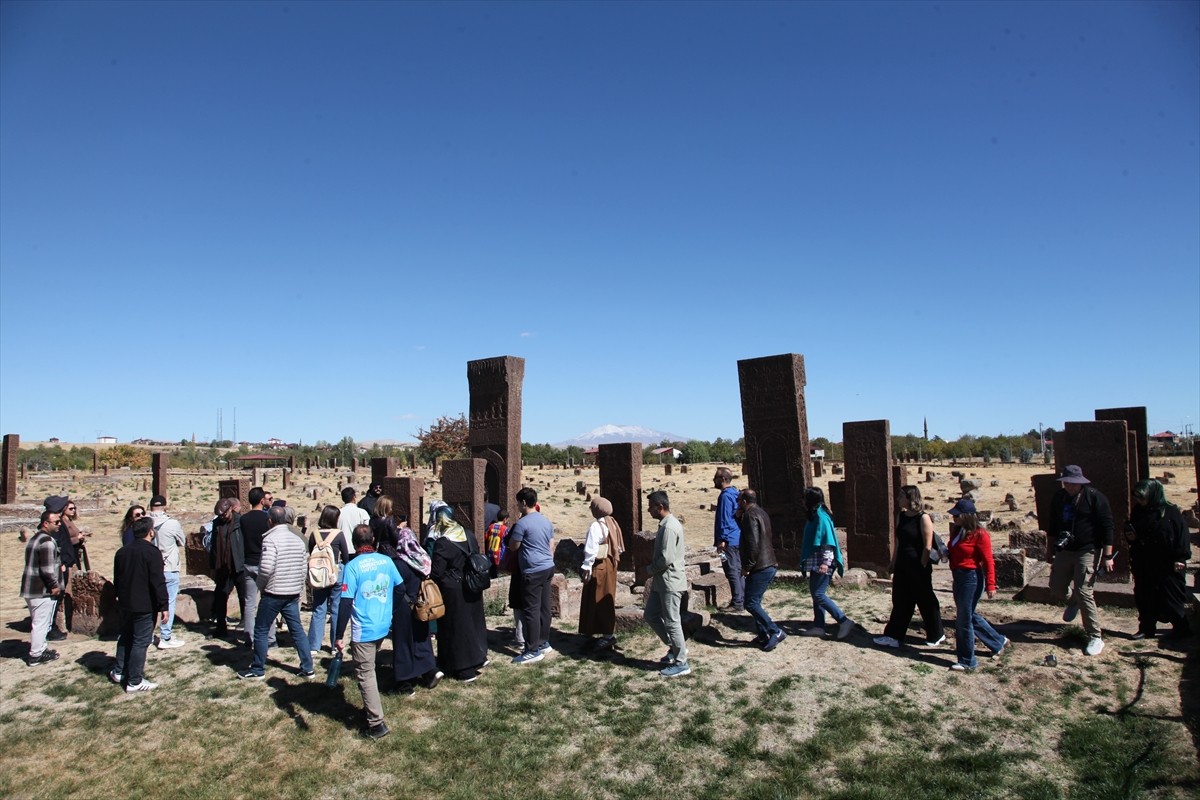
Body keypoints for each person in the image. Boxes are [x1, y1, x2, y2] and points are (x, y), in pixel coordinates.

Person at [336, 524, 404, 739]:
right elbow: (400, 588)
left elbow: (345, 602)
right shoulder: (386, 561)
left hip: (364, 628)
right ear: (373, 539)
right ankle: (373, 711)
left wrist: (338, 635)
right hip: (383, 624)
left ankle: (376, 723)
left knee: (365, 674)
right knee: (370, 666)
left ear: (354, 543)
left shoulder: (352, 567)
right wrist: (390, 609)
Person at [237, 506, 314, 680]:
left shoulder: (271, 539)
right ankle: (308, 667)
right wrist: (298, 587)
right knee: (297, 630)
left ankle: (257, 669)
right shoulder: (297, 539)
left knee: (261, 630)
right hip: (292, 592)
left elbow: (266, 568)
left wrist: (261, 586)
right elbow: (303, 567)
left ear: (270, 521)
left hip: (274, 592)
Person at [1048, 465, 1115, 656]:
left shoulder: (1095, 497)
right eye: (1066, 482)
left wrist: (1108, 556)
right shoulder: (1059, 497)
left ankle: (1095, 636)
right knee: (1056, 588)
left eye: (1073, 483)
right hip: (1064, 549)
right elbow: (1052, 525)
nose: (1069, 486)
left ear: (1081, 483)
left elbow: (1107, 527)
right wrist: (1049, 548)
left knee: (1084, 591)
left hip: (1087, 550)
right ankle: (1074, 601)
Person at [874, 485, 945, 650]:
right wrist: (893, 562)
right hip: (902, 565)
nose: (898, 499)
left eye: (901, 496)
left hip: (918, 566)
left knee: (925, 600)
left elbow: (927, 545)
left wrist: (922, 564)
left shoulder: (923, 518)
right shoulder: (902, 516)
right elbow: (899, 542)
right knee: (900, 600)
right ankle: (893, 636)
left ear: (910, 498)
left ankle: (936, 633)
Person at [427, 507, 490, 681]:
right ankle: (479, 657)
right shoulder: (468, 534)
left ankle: (464, 668)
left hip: (453, 589)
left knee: (457, 629)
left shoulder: (443, 542)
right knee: (474, 623)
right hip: (472, 583)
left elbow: (437, 571)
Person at [946, 499, 1007, 670]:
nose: (954, 518)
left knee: (963, 620)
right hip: (958, 576)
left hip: (971, 578)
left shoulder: (980, 534)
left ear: (966, 516)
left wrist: (991, 584)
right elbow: (956, 551)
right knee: (969, 614)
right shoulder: (958, 531)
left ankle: (968, 661)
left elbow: (988, 561)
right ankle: (998, 641)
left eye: (957, 515)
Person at [110, 516, 169, 691]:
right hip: (144, 604)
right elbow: (157, 581)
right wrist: (164, 605)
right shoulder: (152, 552)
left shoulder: (122, 552)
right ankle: (134, 681)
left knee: (126, 636)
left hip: (125, 603)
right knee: (141, 641)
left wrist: (118, 597)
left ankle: (119, 671)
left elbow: (117, 579)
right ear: (150, 532)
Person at [1127, 479, 1192, 639]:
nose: (1140, 501)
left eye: (1142, 497)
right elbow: (1133, 531)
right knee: (1145, 595)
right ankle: (1146, 628)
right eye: (1137, 498)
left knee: (1171, 595)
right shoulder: (1139, 511)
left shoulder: (1170, 512)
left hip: (1168, 562)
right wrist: (1131, 536)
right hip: (1144, 560)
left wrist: (1180, 557)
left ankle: (1181, 629)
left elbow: (1182, 536)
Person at [386, 515, 441, 695]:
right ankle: (430, 671)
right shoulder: (422, 560)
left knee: (403, 643)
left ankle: (404, 684)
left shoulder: (398, 564)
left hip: (403, 606)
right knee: (421, 639)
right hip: (421, 603)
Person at [799, 487, 855, 640]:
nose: (802, 501)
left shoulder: (821, 517)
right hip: (816, 561)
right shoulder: (815, 515)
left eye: (804, 498)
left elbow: (827, 541)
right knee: (815, 593)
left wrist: (825, 563)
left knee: (818, 594)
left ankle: (843, 621)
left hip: (824, 562)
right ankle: (819, 626)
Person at [645, 490, 690, 677]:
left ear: (660, 507)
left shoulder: (670, 527)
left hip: (670, 582)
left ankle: (682, 663)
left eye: (651, 507)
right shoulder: (665, 524)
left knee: (672, 622)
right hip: (661, 582)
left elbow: (666, 558)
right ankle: (675, 647)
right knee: (650, 615)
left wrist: (649, 570)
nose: (648, 510)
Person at [509, 487, 556, 664]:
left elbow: (514, 546)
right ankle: (544, 642)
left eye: (517, 503)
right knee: (545, 608)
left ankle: (532, 650)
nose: (517, 506)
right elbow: (551, 545)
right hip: (547, 567)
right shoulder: (545, 521)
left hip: (532, 571)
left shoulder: (522, 523)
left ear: (523, 502)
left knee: (531, 611)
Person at [738, 489, 785, 651]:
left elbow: (753, 544)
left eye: (739, 501)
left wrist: (747, 567)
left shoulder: (750, 515)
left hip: (760, 566)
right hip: (768, 563)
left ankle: (775, 631)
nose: (738, 504)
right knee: (755, 601)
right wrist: (738, 518)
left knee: (750, 603)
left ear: (744, 501)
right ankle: (763, 635)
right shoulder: (761, 512)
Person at [578, 497, 625, 652]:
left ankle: (607, 635)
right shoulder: (613, 523)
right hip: (610, 564)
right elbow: (618, 548)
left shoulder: (596, 526)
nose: (591, 509)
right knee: (605, 597)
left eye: (592, 507)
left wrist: (586, 567)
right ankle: (596, 630)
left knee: (598, 599)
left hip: (599, 566)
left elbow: (591, 550)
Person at [20, 509, 63, 666]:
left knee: (38, 621)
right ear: (45, 523)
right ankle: (36, 655)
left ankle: (42, 648)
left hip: (31, 588)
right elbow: (47, 569)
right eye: (56, 522)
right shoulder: (47, 542)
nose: (59, 524)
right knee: (42, 623)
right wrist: (54, 585)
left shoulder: (35, 539)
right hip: (42, 590)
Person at [306, 505, 349, 653]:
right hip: (336, 573)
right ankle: (334, 645)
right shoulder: (338, 534)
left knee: (319, 608)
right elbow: (346, 556)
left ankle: (313, 645)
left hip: (318, 574)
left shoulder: (314, 534)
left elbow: (311, 551)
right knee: (336, 608)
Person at [148, 495, 186, 649]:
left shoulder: (145, 523)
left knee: (150, 601)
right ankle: (165, 636)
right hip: (169, 565)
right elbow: (182, 541)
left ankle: (147, 635)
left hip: (150, 567)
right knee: (169, 601)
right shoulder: (172, 523)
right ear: (165, 506)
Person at [238, 486, 273, 648]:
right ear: (261, 500)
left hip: (248, 562)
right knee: (268, 601)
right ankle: (270, 637)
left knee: (250, 602)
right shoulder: (267, 519)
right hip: (264, 562)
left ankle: (249, 637)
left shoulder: (243, 519)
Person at [207, 497, 245, 638]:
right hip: (223, 566)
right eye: (220, 515)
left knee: (244, 596)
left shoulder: (240, 521)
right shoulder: (217, 523)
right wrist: (213, 565)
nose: (222, 517)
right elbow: (214, 545)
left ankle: (246, 625)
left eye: (224, 514)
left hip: (238, 564)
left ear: (230, 509)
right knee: (220, 596)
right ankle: (220, 627)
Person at [712, 467, 744, 612]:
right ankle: (742, 598)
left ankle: (737, 602)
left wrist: (722, 540)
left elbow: (724, 519)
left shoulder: (725, 496)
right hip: (736, 538)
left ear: (724, 479)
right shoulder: (735, 493)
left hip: (727, 542)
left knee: (730, 570)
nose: (714, 480)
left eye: (716, 478)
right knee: (738, 570)